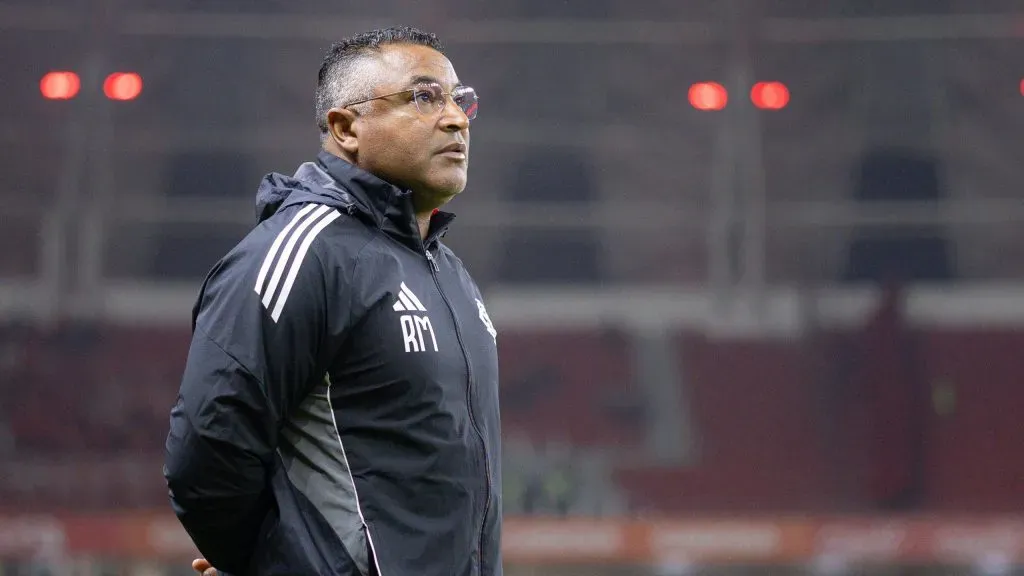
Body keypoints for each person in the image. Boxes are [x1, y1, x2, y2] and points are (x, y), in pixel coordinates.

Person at [164, 26, 501, 576]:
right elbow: (206, 450)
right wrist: (269, 562)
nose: (456, 119)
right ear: (346, 127)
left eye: (461, 101)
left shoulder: (450, 272)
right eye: (424, 97)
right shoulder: (302, 252)